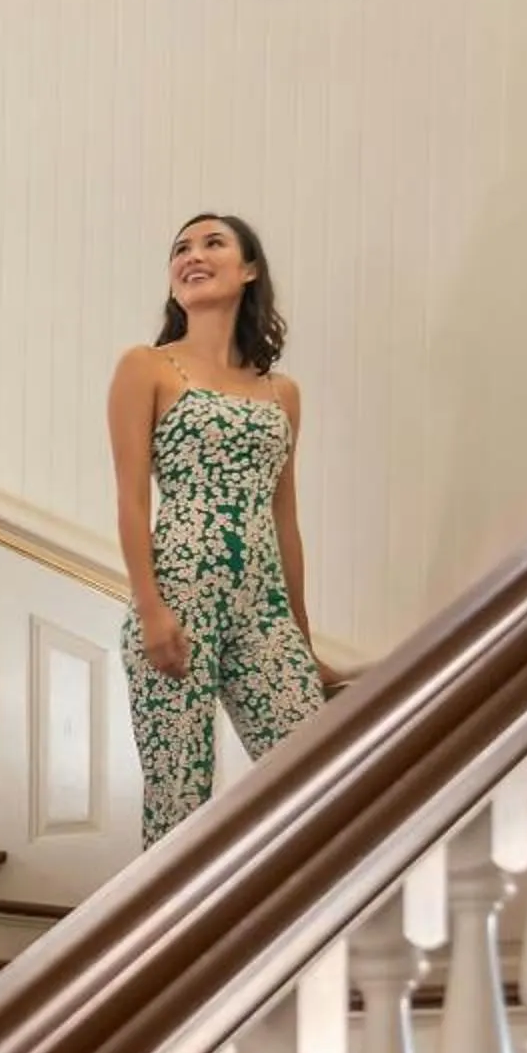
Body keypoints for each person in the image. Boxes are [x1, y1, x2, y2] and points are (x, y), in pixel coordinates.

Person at [108, 212, 337, 849]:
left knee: (315, 779)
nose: (192, 255)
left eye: (213, 243)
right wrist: (150, 609)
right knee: (180, 800)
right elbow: (130, 500)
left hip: (262, 611)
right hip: (178, 598)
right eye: (181, 248)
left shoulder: (281, 392)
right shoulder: (145, 367)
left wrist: (300, 635)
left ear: (249, 270)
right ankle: (161, 946)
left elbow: (284, 521)